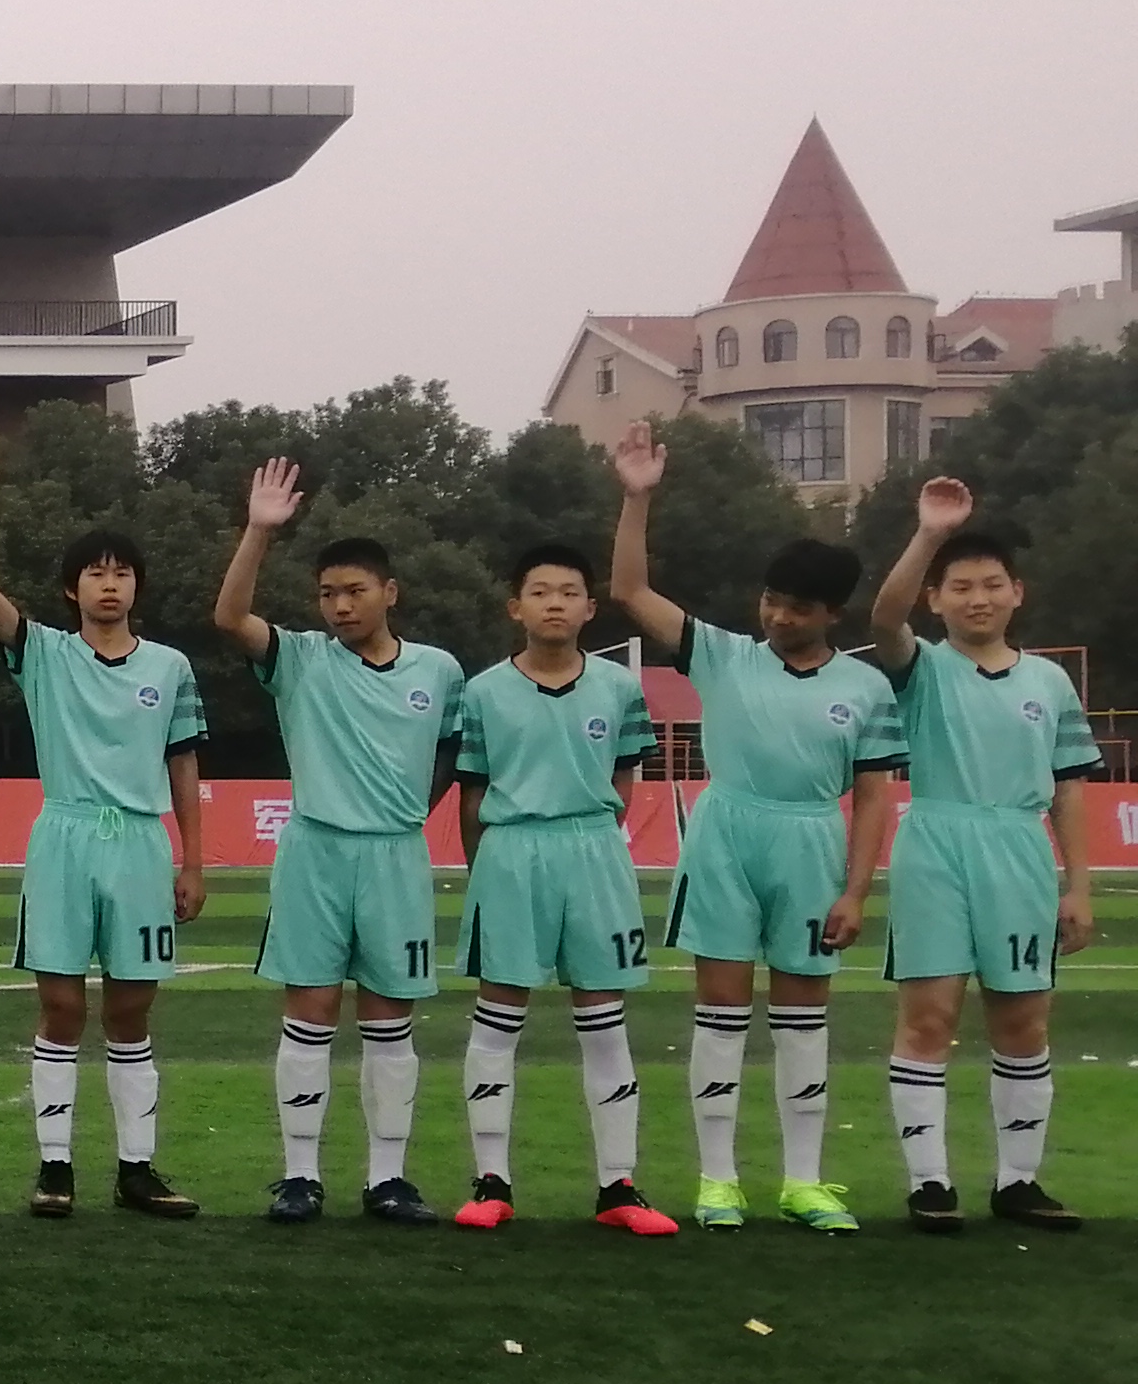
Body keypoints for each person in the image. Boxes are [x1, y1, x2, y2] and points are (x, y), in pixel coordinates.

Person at [604, 428, 902, 1231]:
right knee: (721, 1014)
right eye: (771, 599)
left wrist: (855, 892)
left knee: (803, 1021)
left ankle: (803, 1182)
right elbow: (628, 588)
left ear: (833, 614)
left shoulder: (866, 687)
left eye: (797, 607)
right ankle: (718, 1181)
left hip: (811, 842)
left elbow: (874, 797)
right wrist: (637, 496)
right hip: (726, 837)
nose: (777, 616)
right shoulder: (724, 655)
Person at [0, 432, 208, 1217]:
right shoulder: (46, 653)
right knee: (61, 1008)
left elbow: (183, 765)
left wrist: (193, 861)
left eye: (122, 572)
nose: (110, 584)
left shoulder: (169, 668)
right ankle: (55, 1167)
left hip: (139, 841)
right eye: (95, 573)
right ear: (72, 589)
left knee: (131, 1010)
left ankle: (137, 1169)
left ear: (138, 586)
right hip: (63, 837)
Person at [208, 462, 474, 1224]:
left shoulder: (438, 670)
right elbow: (229, 617)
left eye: (355, 591)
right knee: (311, 1010)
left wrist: (406, 811)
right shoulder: (300, 659)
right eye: (327, 594)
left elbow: (454, 752)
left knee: (390, 1019)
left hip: (394, 855)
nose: (340, 605)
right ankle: (300, 1176)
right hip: (315, 852)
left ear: (391, 592)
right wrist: (259, 529)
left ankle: (387, 1179)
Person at [865, 482, 1098, 1231]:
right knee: (929, 1017)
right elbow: (883, 618)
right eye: (960, 587)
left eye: (992, 584)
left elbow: (1069, 791)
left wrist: (1078, 886)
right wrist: (929, 534)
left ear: (1016, 593)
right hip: (936, 842)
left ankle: (1018, 1182)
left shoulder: (1049, 682)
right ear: (937, 599)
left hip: (1019, 847)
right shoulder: (923, 667)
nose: (978, 598)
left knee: (1024, 1020)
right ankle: (930, 1183)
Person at [448, 544, 678, 1235]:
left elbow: (624, 777)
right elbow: (472, 792)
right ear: (515, 608)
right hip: (510, 851)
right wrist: (485, 870)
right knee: (498, 1018)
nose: (555, 602)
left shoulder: (619, 689)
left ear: (590, 608)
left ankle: (618, 1186)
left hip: (593, 849)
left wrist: (594, 834)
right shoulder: (484, 691)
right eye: (540, 591)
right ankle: (492, 1181)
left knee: (604, 1020)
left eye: (569, 591)